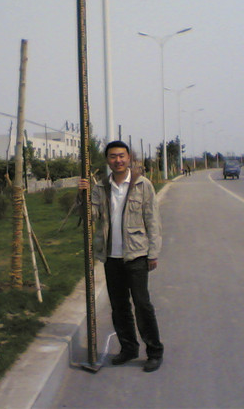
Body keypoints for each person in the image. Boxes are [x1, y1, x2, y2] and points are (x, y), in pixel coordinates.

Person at [78, 140, 164, 372]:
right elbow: (90, 216)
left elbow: (153, 221)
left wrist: (153, 253)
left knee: (142, 305)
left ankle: (154, 351)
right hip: (111, 257)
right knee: (119, 306)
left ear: (129, 158)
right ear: (107, 160)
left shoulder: (143, 185)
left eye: (122, 156)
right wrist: (83, 195)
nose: (118, 160)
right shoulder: (100, 187)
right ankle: (128, 348)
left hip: (137, 255)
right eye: (113, 156)